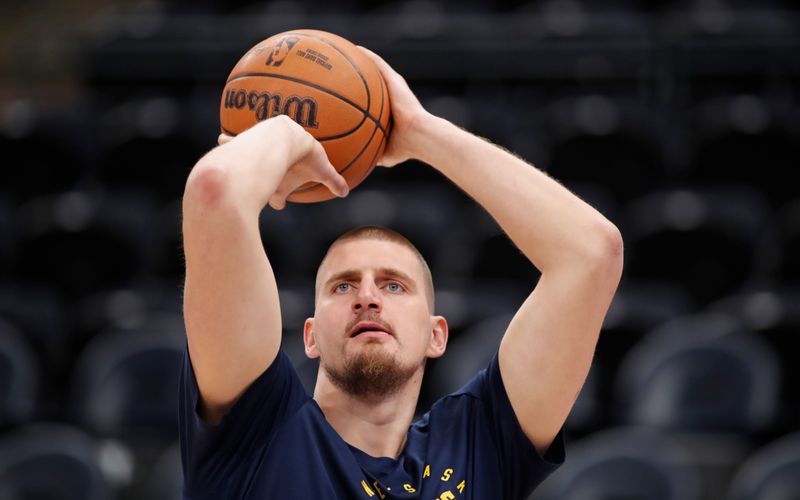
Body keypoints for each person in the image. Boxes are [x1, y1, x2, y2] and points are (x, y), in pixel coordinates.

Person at [179, 47, 623, 499]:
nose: (367, 297)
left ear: (437, 335)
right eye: (343, 285)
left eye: (394, 285)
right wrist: (287, 133)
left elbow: (591, 253)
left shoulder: (476, 444)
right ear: (309, 336)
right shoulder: (257, 431)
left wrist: (420, 132)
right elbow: (215, 191)